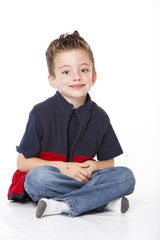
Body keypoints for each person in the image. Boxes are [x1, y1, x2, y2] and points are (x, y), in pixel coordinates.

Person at [8, 31, 135, 218]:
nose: (76, 77)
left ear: (93, 77)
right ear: (53, 80)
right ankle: (102, 201)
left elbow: (109, 163)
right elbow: (23, 162)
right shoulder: (40, 113)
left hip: (83, 178)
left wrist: (93, 166)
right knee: (36, 179)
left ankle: (61, 205)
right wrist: (65, 168)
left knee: (126, 177)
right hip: (51, 178)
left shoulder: (100, 117)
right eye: (66, 72)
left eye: (83, 70)